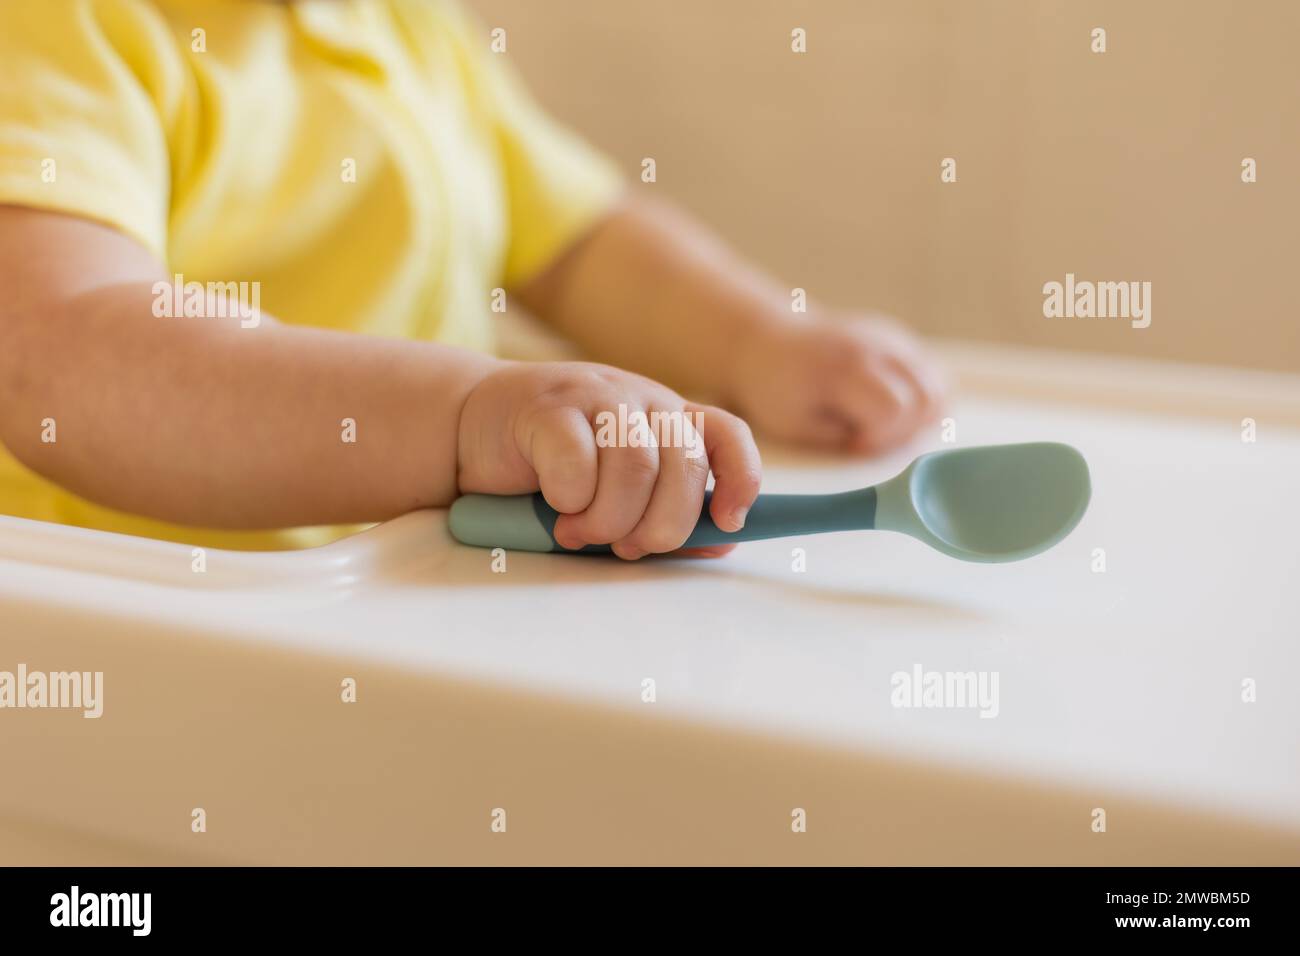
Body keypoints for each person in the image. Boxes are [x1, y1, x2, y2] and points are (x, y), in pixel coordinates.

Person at [0, 0, 943, 559]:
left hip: (420, 595)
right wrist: (463, 420)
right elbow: (62, 349)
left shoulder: (401, 23)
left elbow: (578, 241)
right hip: (161, 632)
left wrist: (753, 341)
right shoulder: (55, 32)